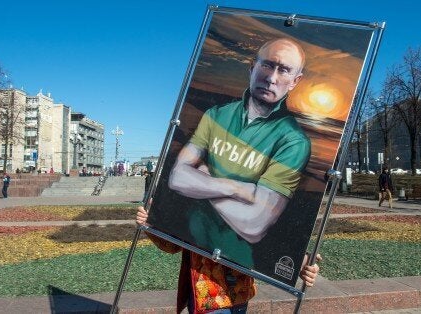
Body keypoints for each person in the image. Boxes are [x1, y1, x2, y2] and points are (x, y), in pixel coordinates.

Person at [167, 38, 311, 268]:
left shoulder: (293, 141)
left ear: (295, 81)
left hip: (236, 270)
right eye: (267, 65)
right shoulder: (216, 115)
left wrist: (204, 181)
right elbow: (177, 178)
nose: (272, 78)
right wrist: (236, 188)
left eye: (283, 70)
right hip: (194, 257)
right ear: (252, 67)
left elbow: (254, 225)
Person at [137, 206, 320, 313]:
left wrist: (301, 263)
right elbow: (172, 244)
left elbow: (268, 240)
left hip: (239, 295)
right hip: (208, 298)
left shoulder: (253, 196)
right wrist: (149, 225)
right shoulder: (195, 203)